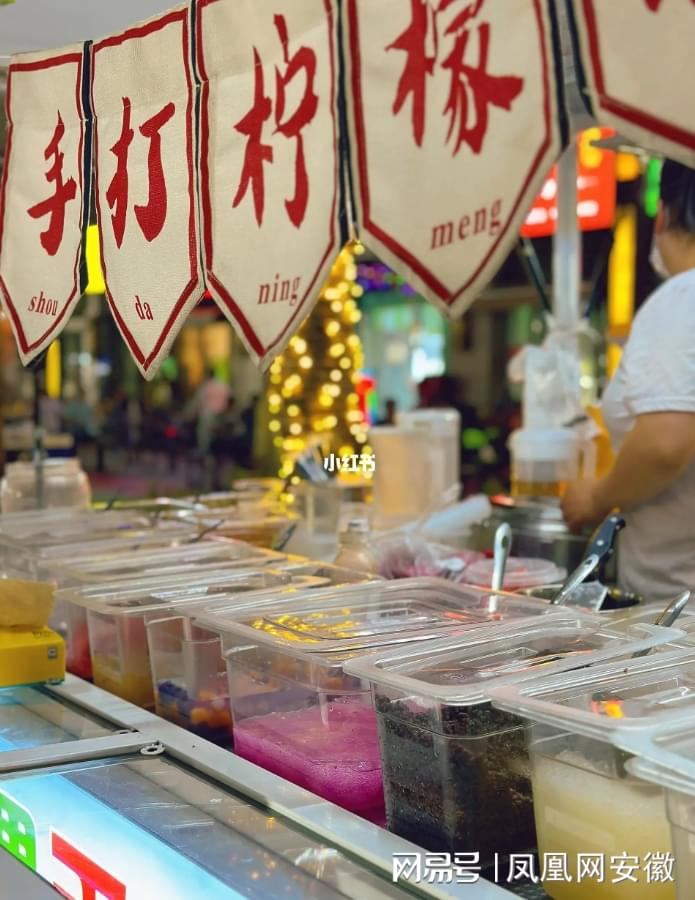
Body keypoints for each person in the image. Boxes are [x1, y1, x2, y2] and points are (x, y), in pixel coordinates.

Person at [562, 159, 695, 601]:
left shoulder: (682, 296)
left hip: (680, 610)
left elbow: (665, 442)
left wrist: (596, 497)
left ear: (664, 216)